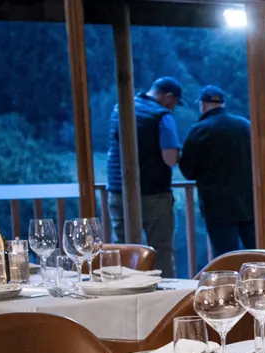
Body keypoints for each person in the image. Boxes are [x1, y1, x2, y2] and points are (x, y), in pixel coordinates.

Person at [106, 76, 182, 277]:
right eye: (174, 102)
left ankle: (124, 292)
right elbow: (170, 158)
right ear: (167, 97)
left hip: (116, 190)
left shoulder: (119, 108)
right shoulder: (162, 116)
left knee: (124, 250)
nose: (173, 107)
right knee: (161, 249)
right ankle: (167, 297)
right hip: (153, 193)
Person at [179, 86, 255, 257]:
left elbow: (188, 171)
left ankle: (230, 284)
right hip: (250, 203)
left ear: (203, 105)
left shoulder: (200, 130)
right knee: (260, 254)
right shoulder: (246, 126)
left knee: (226, 258)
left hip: (218, 207)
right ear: (223, 103)